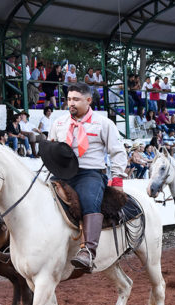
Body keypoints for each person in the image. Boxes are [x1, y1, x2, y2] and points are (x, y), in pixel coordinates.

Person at [47, 82, 127, 272]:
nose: (71, 103)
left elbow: (118, 152)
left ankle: (88, 251)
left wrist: (117, 181)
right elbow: (51, 149)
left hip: (90, 173)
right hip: (61, 173)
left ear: (88, 100)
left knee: (89, 201)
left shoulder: (104, 123)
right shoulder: (59, 123)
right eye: (68, 99)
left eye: (76, 99)